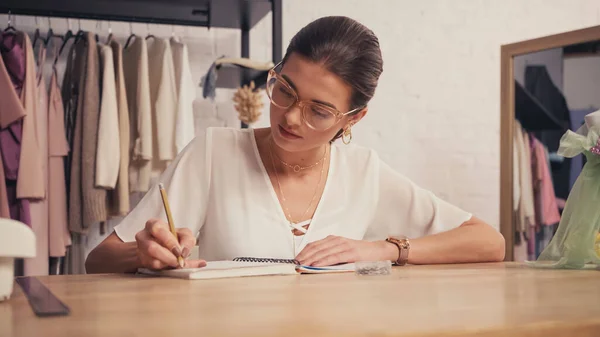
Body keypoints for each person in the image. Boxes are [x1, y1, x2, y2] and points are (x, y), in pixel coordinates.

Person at [86, 16, 505, 274]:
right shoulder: (213, 153)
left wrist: (384, 249)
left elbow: (489, 242)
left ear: (353, 118)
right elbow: (97, 259)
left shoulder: (364, 172)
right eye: (284, 89)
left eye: (318, 111)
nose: (288, 116)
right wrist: (144, 256)